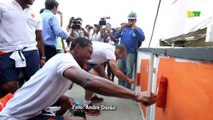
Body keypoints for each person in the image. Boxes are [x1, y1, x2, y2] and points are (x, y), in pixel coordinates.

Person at [0, 37, 156, 120]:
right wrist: (135, 95)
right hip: (16, 117)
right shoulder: (64, 59)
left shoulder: (66, 62)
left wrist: (61, 97)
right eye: (89, 52)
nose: (90, 56)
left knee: (74, 110)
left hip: (32, 112)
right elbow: (88, 81)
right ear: (78, 48)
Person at [0, 0, 45, 98]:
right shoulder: (2, 5)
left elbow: (39, 37)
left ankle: (31, 109)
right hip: (6, 51)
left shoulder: (35, 13)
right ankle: (8, 108)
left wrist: (43, 57)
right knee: (9, 86)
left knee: (34, 85)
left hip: (30, 52)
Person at [83, 41, 135, 116]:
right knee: (93, 80)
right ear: (118, 51)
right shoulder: (110, 52)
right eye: (122, 56)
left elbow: (99, 61)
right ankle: (86, 105)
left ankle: (92, 97)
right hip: (83, 59)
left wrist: (104, 75)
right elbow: (116, 72)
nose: (121, 58)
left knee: (99, 76)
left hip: (91, 60)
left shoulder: (109, 48)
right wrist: (128, 79)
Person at [114, 11, 145, 89]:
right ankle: (121, 85)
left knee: (129, 70)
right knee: (120, 68)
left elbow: (142, 38)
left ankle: (127, 86)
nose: (130, 21)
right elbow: (116, 36)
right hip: (121, 53)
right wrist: (121, 29)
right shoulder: (124, 29)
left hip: (131, 53)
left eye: (132, 20)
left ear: (135, 20)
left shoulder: (138, 29)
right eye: (129, 20)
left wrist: (135, 30)